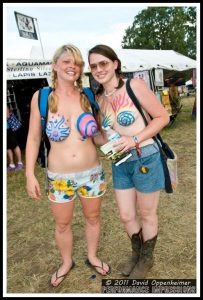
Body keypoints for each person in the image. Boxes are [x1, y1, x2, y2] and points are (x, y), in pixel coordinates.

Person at [25, 44, 111, 287]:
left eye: (77, 63)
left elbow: (99, 133)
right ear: (54, 66)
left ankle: (92, 256)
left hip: (92, 173)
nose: (72, 66)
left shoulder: (89, 95)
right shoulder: (42, 97)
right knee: (62, 224)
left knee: (93, 218)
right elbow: (32, 138)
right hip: (59, 177)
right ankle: (66, 262)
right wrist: (29, 174)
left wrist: (120, 139)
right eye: (66, 62)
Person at [88, 44, 170, 279]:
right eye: (94, 66)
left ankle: (146, 258)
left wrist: (134, 139)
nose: (98, 69)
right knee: (126, 215)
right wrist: (86, 134)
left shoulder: (134, 86)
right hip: (120, 161)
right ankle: (136, 252)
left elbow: (162, 116)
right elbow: (103, 135)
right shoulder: (100, 99)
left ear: (115, 64)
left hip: (146, 156)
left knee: (147, 213)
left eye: (103, 63)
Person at [7, 106, 23, 171]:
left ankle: (20, 163)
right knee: (7, 147)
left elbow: (7, 116)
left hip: (10, 129)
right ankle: (11, 164)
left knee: (15, 145)